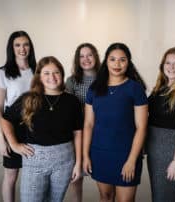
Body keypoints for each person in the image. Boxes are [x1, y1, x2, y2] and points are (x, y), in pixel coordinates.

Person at [1, 56, 82, 202]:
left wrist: (78, 163)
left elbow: (78, 133)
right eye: (46, 73)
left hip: (64, 161)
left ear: (62, 75)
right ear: (39, 76)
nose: (52, 77)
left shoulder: (72, 101)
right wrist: (14, 144)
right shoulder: (29, 99)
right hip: (34, 160)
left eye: (56, 72)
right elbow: (6, 119)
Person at [83, 43, 148, 202]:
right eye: (112, 59)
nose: (117, 64)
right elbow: (88, 124)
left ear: (128, 62)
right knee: (105, 197)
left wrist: (132, 160)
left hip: (126, 154)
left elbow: (141, 127)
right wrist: (85, 155)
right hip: (100, 153)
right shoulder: (94, 89)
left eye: (122, 60)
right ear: (106, 61)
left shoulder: (135, 89)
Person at [0, 30, 36, 202]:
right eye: (17, 45)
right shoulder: (2, 73)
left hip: (34, 126)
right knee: (11, 176)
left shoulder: (38, 70)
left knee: (33, 175)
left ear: (30, 47)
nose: (22, 49)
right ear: (11, 48)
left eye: (25, 44)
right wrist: (1, 139)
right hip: (12, 127)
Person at [146, 47, 175, 202]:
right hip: (154, 149)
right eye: (168, 63)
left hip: (170, 148)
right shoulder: (159, 88)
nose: (171, 67)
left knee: (166, 194)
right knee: (158, 192)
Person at [65, 43, 100, 202]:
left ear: (96, 57)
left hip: (100, 131)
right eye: (82, 56)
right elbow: (67, 108)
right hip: (78, 132)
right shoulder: (72, 81)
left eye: (89, 55)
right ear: (77, 60)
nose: (86, 59)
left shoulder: (106, 78)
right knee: (77, 174)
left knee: (102, 173)